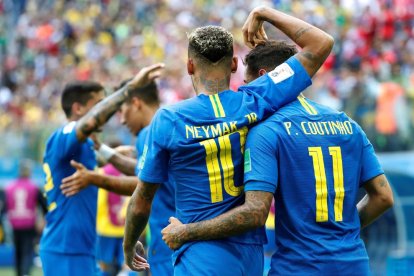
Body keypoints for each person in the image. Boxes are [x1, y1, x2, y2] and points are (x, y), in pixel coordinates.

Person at [123, 6, 334, 275]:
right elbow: (321, 43)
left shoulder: (169, 119)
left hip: (198, 251)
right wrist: (264, 12)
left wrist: (129, 246)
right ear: (234, 64)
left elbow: (142, 200)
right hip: (250, 255)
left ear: (190, 65)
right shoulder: (258, 99)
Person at [161, 39, 395, 275]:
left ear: (265, 77)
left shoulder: (268, 131)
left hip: (299, 266)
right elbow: (383, 197)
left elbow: (254, 212)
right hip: (354, 263)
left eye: (249, 84)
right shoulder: (348, 124)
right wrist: (343, 232)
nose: (248, 94)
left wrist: (186, 232)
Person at [39, 63, 164, 276]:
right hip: (65, 248)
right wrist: (128, 89)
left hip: (81, 248)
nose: (108, 110)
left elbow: (105, 158)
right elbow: (86, 126)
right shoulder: (65, 133)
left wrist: (112, 153)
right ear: (78, 109)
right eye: (99, 104)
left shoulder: (83, 146)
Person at [5, 159, 47, 276]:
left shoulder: (9, 187)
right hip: (29, 224)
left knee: (18, 252)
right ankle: (25, 273)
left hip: (15, 224)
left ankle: (20, 273)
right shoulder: (33, 187)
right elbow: (45, 207)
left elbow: (4, 207)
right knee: (27, 251)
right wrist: (43, 221)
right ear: (29, 171)